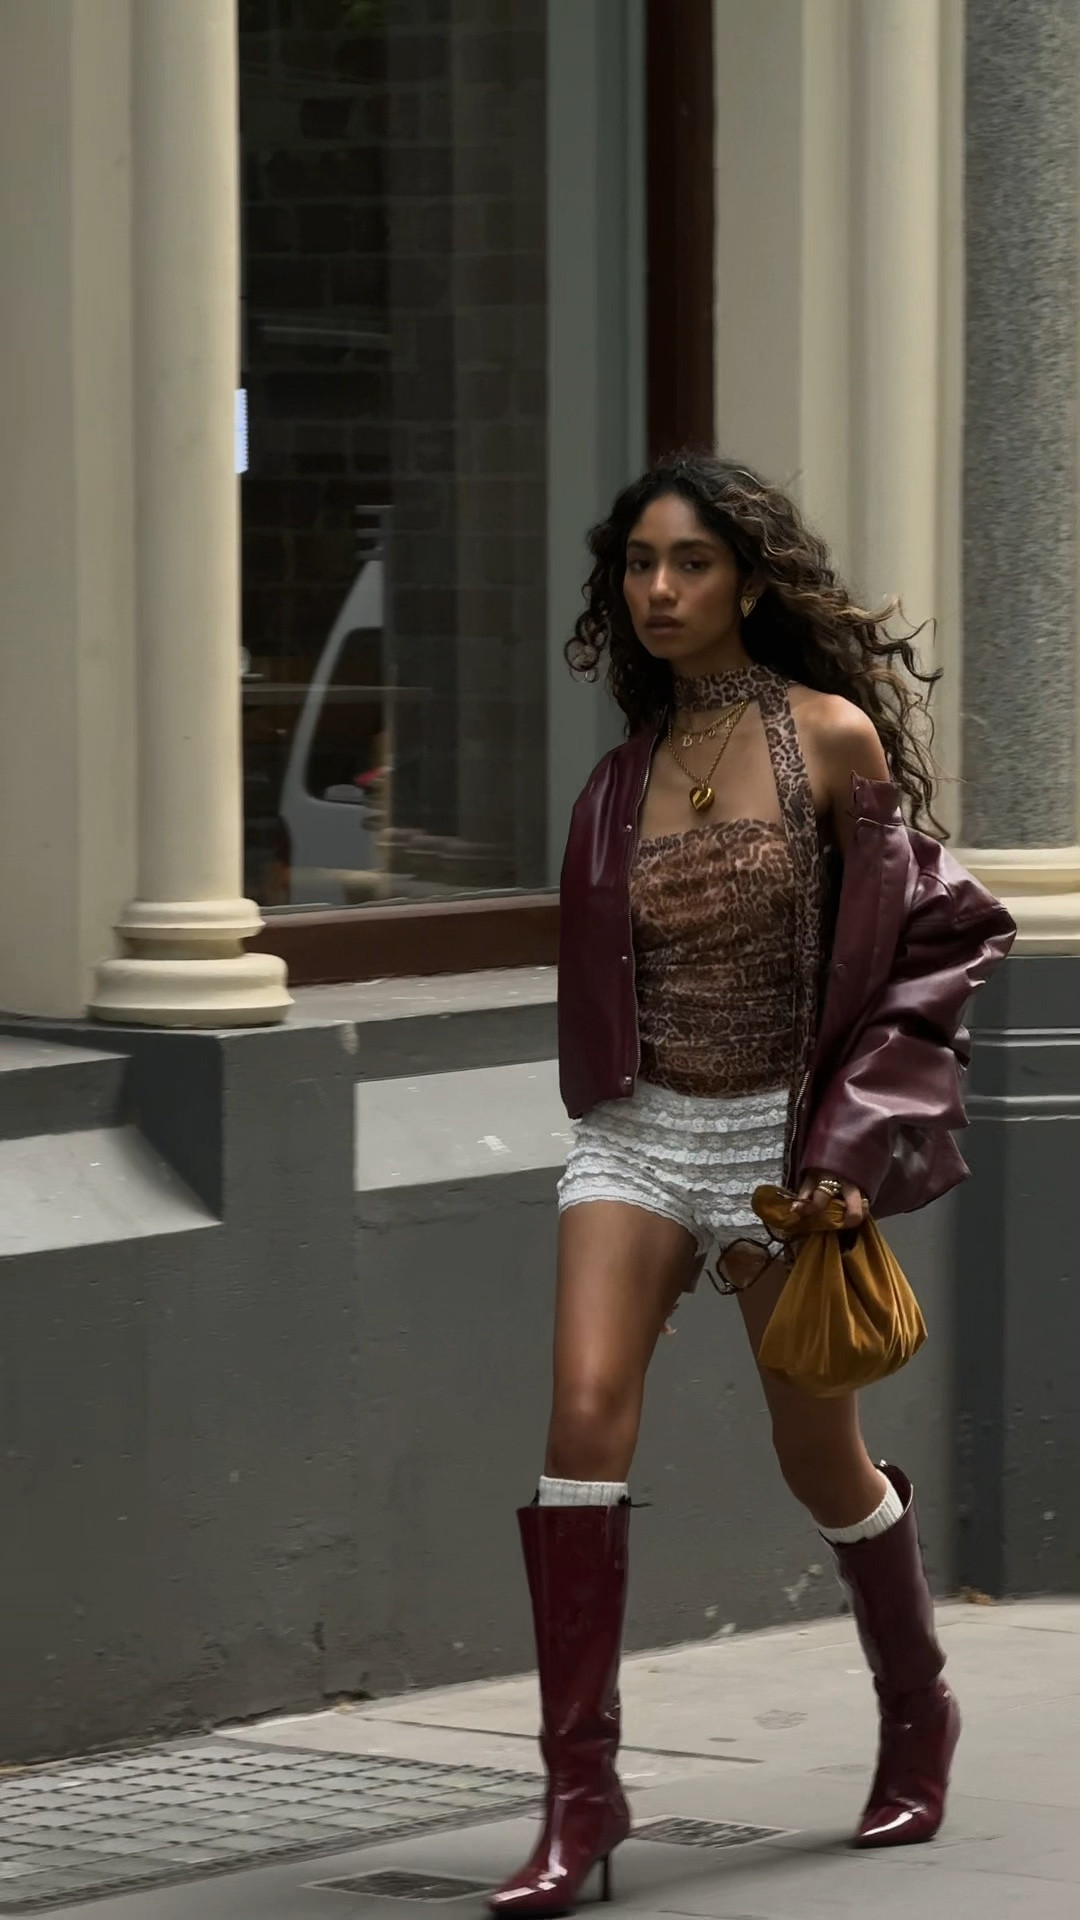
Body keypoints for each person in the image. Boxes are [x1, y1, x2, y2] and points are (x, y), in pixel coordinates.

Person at [490, 454, 1015, 1918]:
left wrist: (851, 1150)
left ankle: (917, 1707)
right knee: (581, 1424)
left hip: (784, 1161)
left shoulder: (832, 741)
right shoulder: (616, 780)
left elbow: (937, 940)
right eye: (640, 567)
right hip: (637, 1137)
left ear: (749, 580)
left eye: (691, 564)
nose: (660, 592)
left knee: (820, 1464)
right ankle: (581, 1798)